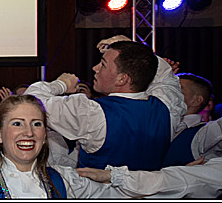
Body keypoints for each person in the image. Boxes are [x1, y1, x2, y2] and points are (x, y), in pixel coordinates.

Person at [76, 71, 222, 198]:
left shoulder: (202, 135)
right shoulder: (149, 124)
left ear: (196, 101)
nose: (171, 95)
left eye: (179, 91)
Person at [24, 36, 184, 171]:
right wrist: (128, 45)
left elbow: (30, 102)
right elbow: (163, 73)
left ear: (122, 79)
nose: (95, 68)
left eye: (103, 64)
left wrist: (61, 84)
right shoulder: (167, 107)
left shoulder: (91, 112)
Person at [162, 63, 222, 166]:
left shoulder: (201, 135)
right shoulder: (158, 124)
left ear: (196, 101)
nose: (169, 92)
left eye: (178, 88)